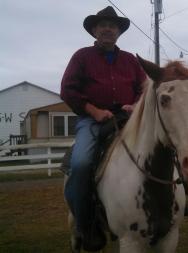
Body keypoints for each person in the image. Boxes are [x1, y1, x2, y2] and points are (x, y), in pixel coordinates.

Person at [60, 6, 149, 251]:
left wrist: (135, 104)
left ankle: (180, 200)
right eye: (103, 25)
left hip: (127, 117)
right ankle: (84, 224)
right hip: (93, 119)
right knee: (80, 164)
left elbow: (145, 88)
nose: (108, 29)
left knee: (161, 147)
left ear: (119, 32)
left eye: (113, 25)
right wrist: (94, 111)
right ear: (94, 30)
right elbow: (68, 89)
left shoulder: (131, 60)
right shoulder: (82, 57)